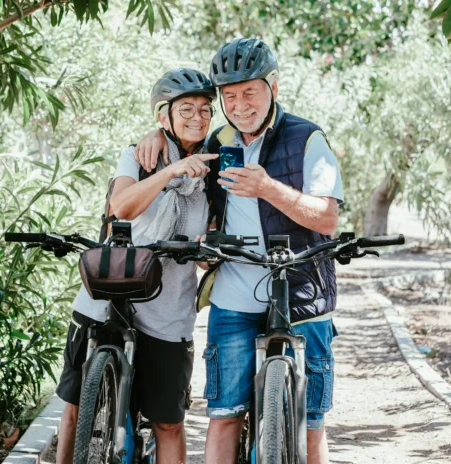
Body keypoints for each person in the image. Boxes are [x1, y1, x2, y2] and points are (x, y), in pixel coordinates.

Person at [134, 39, 344, 464]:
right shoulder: (217, 139)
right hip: (234, 297)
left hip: (303, 293)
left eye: (250, 91)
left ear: (274, 87)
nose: (240, 104)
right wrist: (157, 132)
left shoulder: (307, 138)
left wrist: (268, 189)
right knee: (224, 415)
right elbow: (183, 152)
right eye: (229, 95)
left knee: (311, 422)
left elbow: (326, 218)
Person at [55, 68, 218, 464]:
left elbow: (214, 234)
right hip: (108, 294)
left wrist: (208, 247)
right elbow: (122, 207)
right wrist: (170, 170)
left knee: (168, 422)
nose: (197, 117)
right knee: (76, 408)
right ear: (163, 116)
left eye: (205, 110)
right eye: (186, 109)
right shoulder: (140, 154)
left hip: (168, 310)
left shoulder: (216, 165)